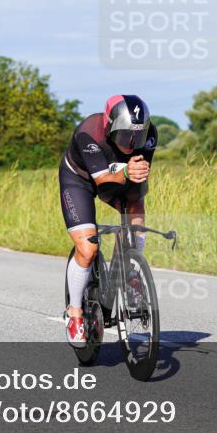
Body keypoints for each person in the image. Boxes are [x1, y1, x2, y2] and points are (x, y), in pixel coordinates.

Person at [59, 94, 157, 346]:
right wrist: (126, 170)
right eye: (125, 136)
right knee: (88, 248)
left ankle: (130, 272)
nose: (132, 143)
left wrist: (132, 174)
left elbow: (137, 180)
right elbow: (102, 179)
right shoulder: (89, 132)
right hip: (80, 180)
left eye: (137, 136)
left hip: (119, 177)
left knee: (136, 204)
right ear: (109, 126)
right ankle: (75, 313)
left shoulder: (149, 134)